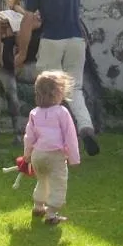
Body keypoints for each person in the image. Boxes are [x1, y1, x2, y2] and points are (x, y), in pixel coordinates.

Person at [15, 0, 99, 156]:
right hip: (77, 38)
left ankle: (50, 138)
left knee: (47, 89)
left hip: (52, 39)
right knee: (75, 88)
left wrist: (22, 52)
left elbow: (28, 19)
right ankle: (85, 127)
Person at [22, 70, 81, 226]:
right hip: (55, 155)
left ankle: (38, 206)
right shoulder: (62, 112)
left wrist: (27, 154)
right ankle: (51, 213)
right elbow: (70, 136)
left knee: (42, 180)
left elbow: (29, 136)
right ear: (58, 93)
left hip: (38, 154)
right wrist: (74, 158)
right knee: (58, 182)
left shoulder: (34, 113)